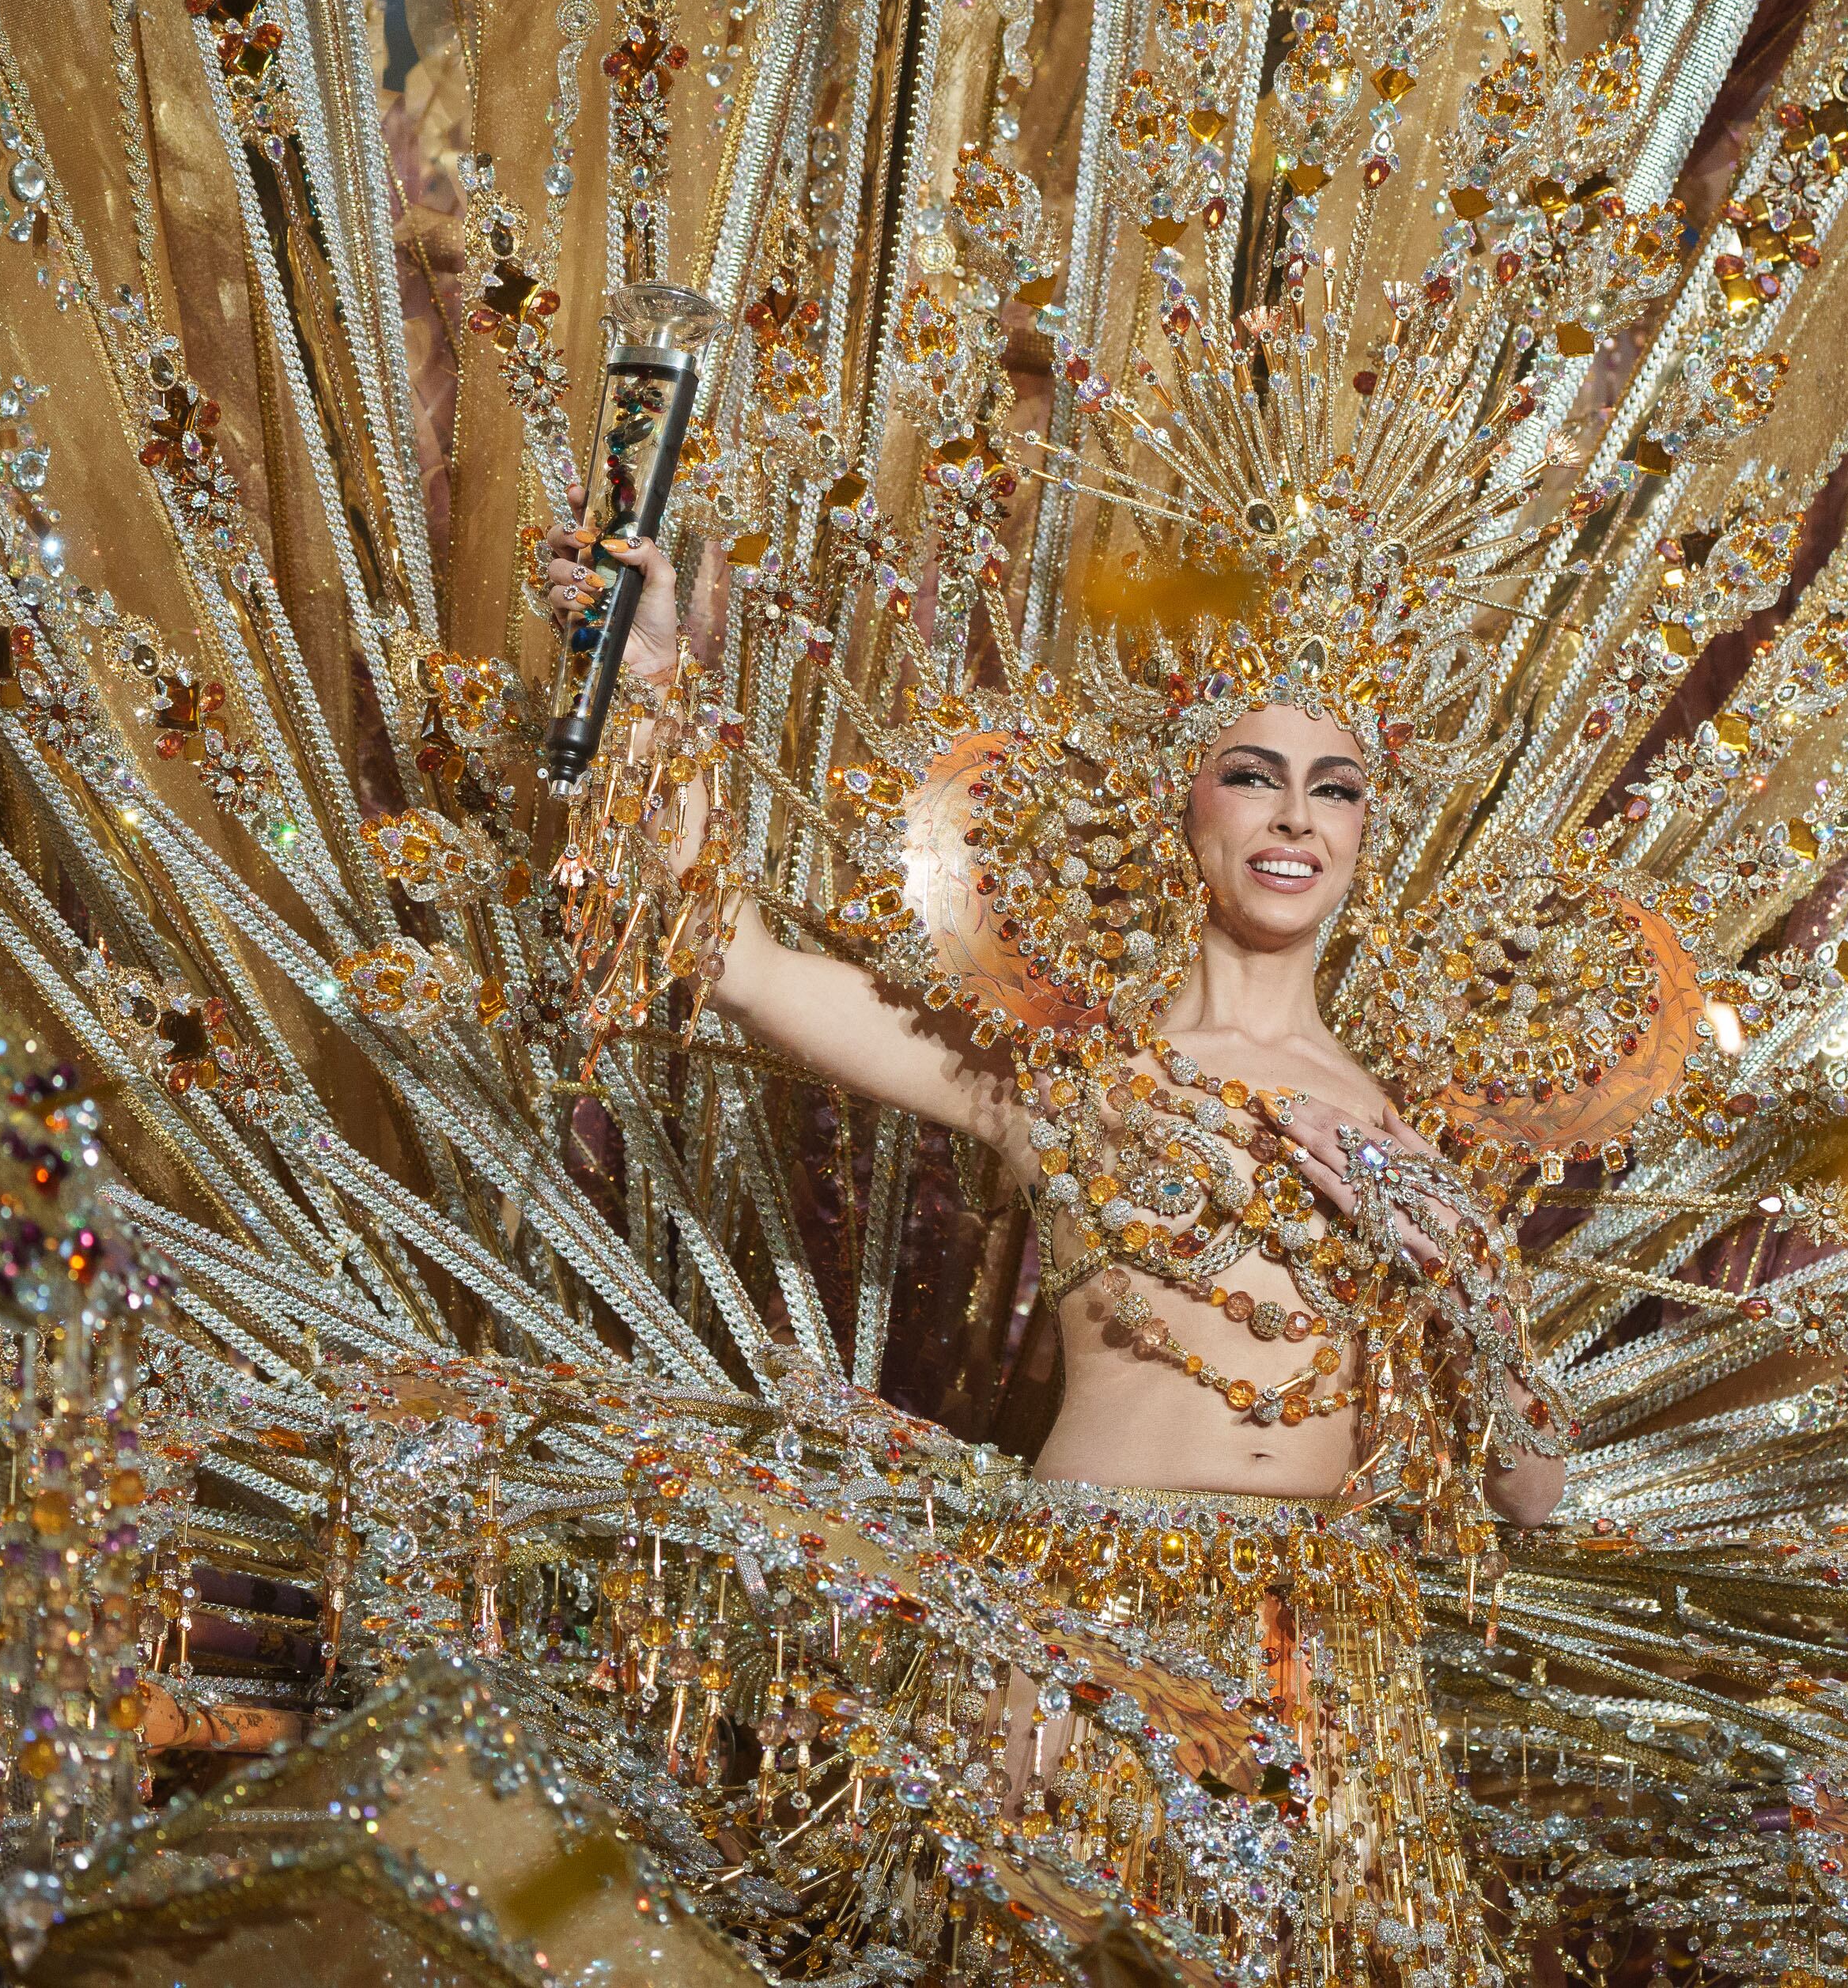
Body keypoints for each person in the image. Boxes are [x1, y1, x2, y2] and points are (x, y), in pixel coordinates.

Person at [539, 514, 1585, 1526]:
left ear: (1366, 829)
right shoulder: (1063, 1070)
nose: (1296, 820)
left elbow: (1530, 1496)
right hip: (1096, 1613)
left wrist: (1469, 1282)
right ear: (1185, 803)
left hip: (1320, 1648)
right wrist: (645, 684)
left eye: (1337, 790)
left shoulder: (1401, 1120)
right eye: (1252, 778)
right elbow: (739, 966)